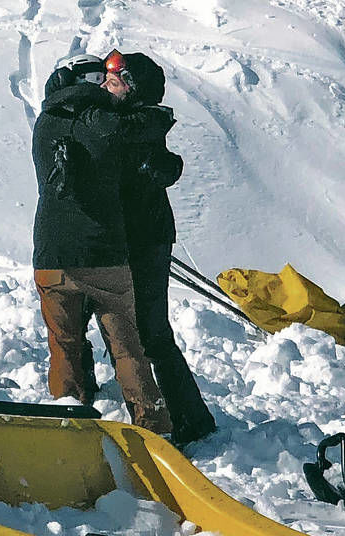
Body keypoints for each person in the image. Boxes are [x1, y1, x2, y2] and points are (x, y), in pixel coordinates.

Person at [32, 54, 172, 433]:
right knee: (128, 348)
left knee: (64, 346)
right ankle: (153, 426)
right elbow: (142, 133)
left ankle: (68, 421)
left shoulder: (44, 122)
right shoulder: (106, 124)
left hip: (50, 255)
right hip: (104, 255)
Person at [100, 50, 216, 445]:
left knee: (151, 332)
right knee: (136, 331)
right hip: (137, 240)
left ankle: (189, 419)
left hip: (144, 242)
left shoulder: (136, 127)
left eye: (112, 82)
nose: (103, 88)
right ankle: (171, 413)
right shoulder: (137, 125)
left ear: (132, 90)